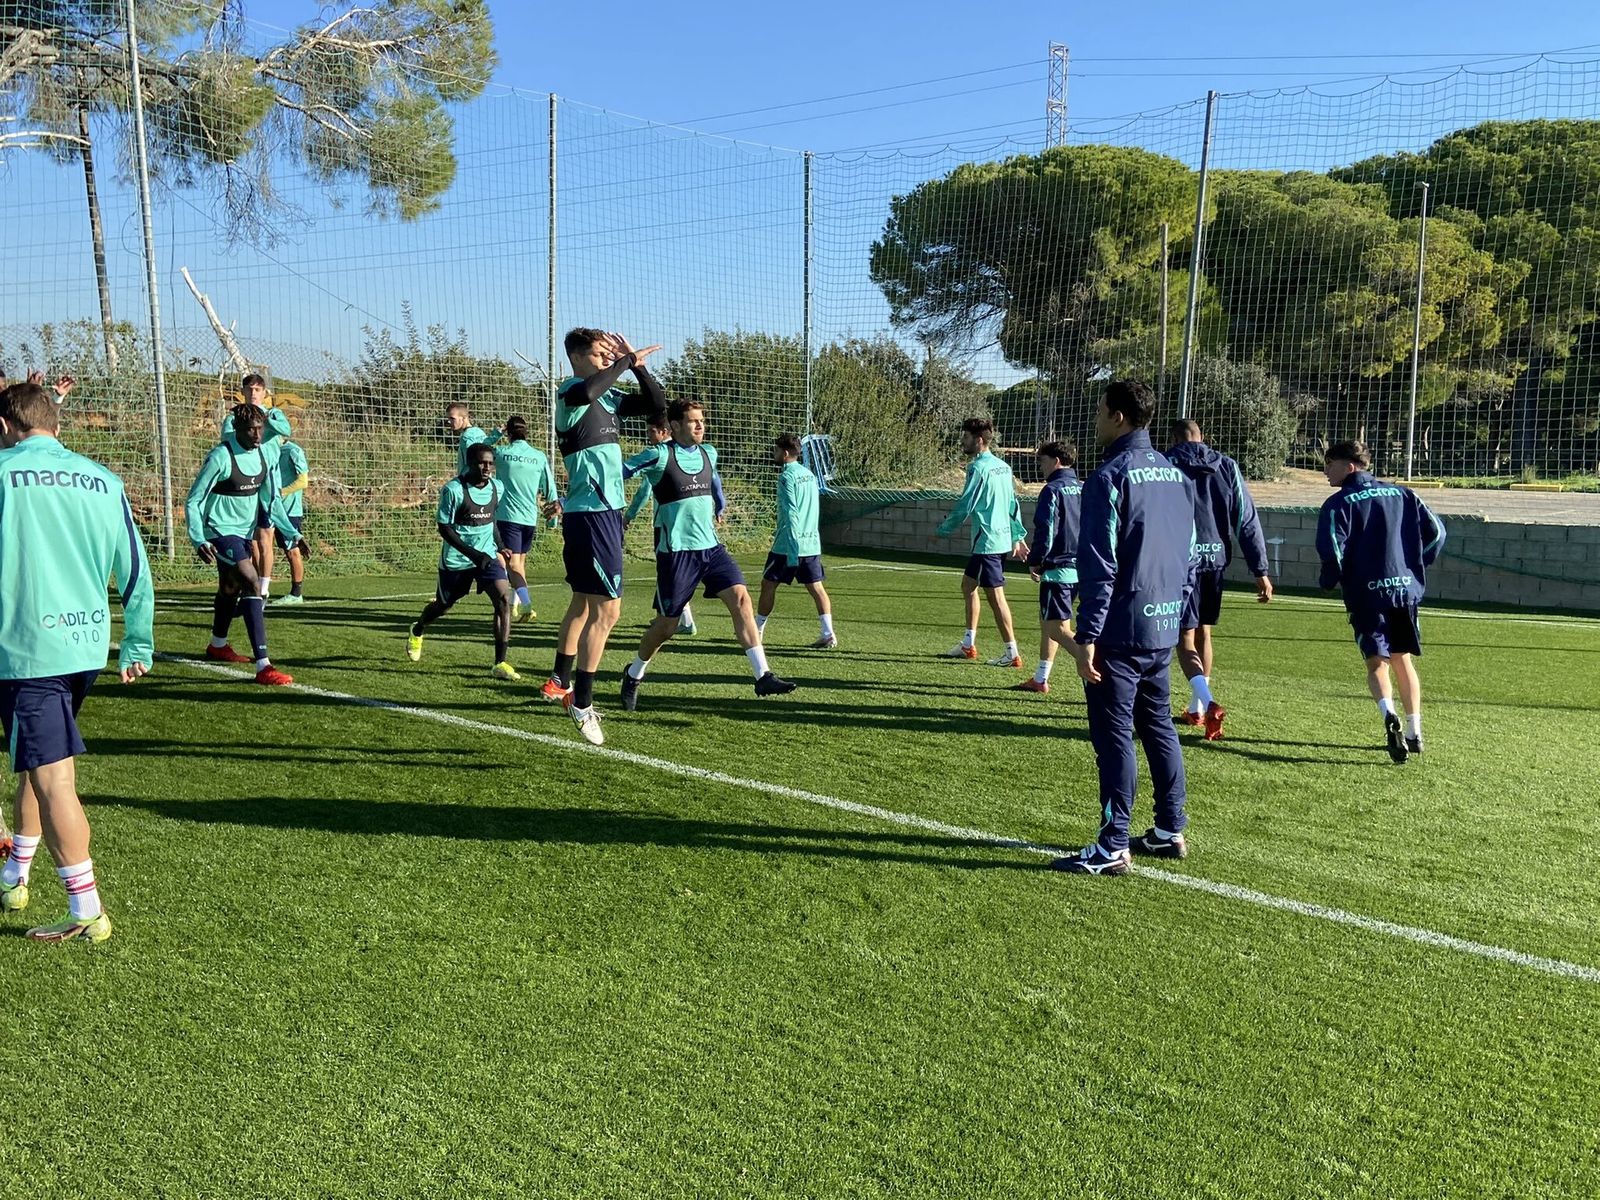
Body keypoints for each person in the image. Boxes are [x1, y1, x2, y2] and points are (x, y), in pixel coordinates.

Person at [0, 380, 154, 943]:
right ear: (57, 425)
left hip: (28, 649)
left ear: (4, 427)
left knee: (53, 776)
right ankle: (14, 875)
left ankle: (85, 908)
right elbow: (134, 566)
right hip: (84, 647)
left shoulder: (3, 474)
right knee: (39, 762)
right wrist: (138, 641)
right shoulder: (103, 479)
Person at [1053, 380, 1198, 876]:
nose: (1095, 419)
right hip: (1161, 626)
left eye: (1100, 411)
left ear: (1117, 416)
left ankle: (1113, 845)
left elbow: (1100, 566)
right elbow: (1189, 558)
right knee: (1158, 725)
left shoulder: (1109, 476)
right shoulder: (1176, 474)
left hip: (1119, 629)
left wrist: (1087, 636)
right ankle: (1169, 829)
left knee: (1114, 735)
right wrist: (1178, 615)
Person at [618, 399, 797, 714]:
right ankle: (633, 674)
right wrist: (573, 498)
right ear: (675, 426)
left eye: (702, 420)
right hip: (677, 553)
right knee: (666, 627)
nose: (700, 425)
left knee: (741, 598)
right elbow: (616, 473)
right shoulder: (659, 455)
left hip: (711, 549)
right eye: (693, 421)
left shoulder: (708, 453)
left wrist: (720, 501)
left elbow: (713, 478)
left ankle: (763, 676)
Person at [540, 329, 668, 746]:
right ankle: (582, 702)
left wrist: (639, 365)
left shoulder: (609, 397)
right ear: (578, 357)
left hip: (600, 514)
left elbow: (657, 405)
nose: (605, 360)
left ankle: (560, 680)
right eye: (599, 354)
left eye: (607, 355)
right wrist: (625, 362)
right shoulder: (570, 391)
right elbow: (589, 390)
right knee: (609, 611)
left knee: (583, 603)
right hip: (593, 516)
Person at [1315, 440, 1446, 763]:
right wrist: (1415, 566)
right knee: (1403, 659)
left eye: (1330, 464)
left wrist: (1329, 580)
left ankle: (1389, 714)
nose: (1325, 470)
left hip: (1366, 594)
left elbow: (1333, 548)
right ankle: (1415, 732)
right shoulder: (1403, 494)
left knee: (1377, 663)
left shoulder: (1338, 504)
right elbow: (1437, 534)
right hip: (1404, 590)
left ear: (1350, 466)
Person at [1166, 418, 1273, 739]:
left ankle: (1208, 703)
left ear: (1174, 440)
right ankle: (1197, 709)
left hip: (1180, 560)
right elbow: (1246, 519)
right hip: (1214, 560)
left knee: (1183, 638)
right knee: (1204, 633)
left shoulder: (1165, 464)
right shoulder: (1226, 465)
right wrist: (1260, 570)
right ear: (1202, 438)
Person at [186, 403, 305, 686]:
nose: (257, 435)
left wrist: (293, 534)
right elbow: (194, 499)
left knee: (230, 588)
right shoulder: (221, 457)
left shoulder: (264, 455)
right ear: (237, 429)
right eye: (250, 429)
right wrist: (198, 538)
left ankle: (218, 645)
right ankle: (264, 665)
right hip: (218, 530)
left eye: (260, 428)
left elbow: (271, 502)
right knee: (251, 581)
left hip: (243, 532)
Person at [936, 417, 1028, 667]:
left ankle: (1012, 653)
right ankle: (968, 644)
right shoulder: (1003, 467)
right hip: (999, 539)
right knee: (968, 585)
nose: (962, 442)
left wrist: (945, 528)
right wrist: (1017, 535)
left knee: (996, 597)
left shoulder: (977, 468)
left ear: (978, 440)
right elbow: (1013, 504)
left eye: (966, 437)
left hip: (987, 541)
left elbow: (967, 503)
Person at [756, 433, 836, 649]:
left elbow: (792, 513)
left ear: (785, 453)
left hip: (788, 544)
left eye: (775, 450)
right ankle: (828, 633)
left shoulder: (786, 477)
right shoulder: (809, 475)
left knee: (768, 584)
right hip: (811, 543)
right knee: (816, 588)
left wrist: (792, 549)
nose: (773, 453)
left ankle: (757, 631)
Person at [1016, 440, 1081, 694]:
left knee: (1057, 628)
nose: (1040, 467)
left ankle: (1098, 668)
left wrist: (1037, 561)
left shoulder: (1052, 490)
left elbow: (1047, 529)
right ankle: (1041, 678)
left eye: (1042, 461)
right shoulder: (1084, 488)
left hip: (1059, 568)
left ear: (1056, 461)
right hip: (1082, 567)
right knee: (1049, 623)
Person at [625, 413, 698, 635]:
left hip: (666, 525)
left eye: (652, 431)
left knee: (670, 571)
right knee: (673, 570)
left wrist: (629, 516)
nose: (648, 435)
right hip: (689, 523)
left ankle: (682, 620)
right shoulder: (686, 451)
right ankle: (668, 617)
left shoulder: (660, 455)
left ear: (665, 431)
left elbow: (644, 492)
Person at [219, 373, 292, 599]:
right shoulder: (234, 417)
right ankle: (248, 585)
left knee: (265, 537)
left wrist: (264, 419)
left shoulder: (273, 414)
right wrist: (245, 424)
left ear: (264, 392)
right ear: (243, 392)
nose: (253, 393)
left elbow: (286, 430)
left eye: (258, 389)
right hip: (243, 481)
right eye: (249, 389)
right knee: (247, 538)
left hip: (267, 483)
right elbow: (226, 439)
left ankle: (264, 589)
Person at [493, 415, 559, 624]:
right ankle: (515, 605)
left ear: (509, 432)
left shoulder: (501, 453)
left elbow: (477, 450)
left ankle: (527, 605)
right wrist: (553, 518)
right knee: (519, 563)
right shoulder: (538, 456)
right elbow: (550, 486)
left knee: (511, 564)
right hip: (529, 518)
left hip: (508, 516)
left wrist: (496, 434)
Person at [273, 433, 310, 605]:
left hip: (289, 510)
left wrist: (281, 492)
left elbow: (303, 481)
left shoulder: (293, 451)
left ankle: (296, 594)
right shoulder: (269, 450)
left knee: (291, 550)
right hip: (272, 508)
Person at [447, 402, 498, 478]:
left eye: (452, 418)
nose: (448, 421)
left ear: (464, 418)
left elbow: (473, 460)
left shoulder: (466, 437)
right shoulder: (479, 431)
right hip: (485, 478)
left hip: (472, 480)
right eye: (448, 418)